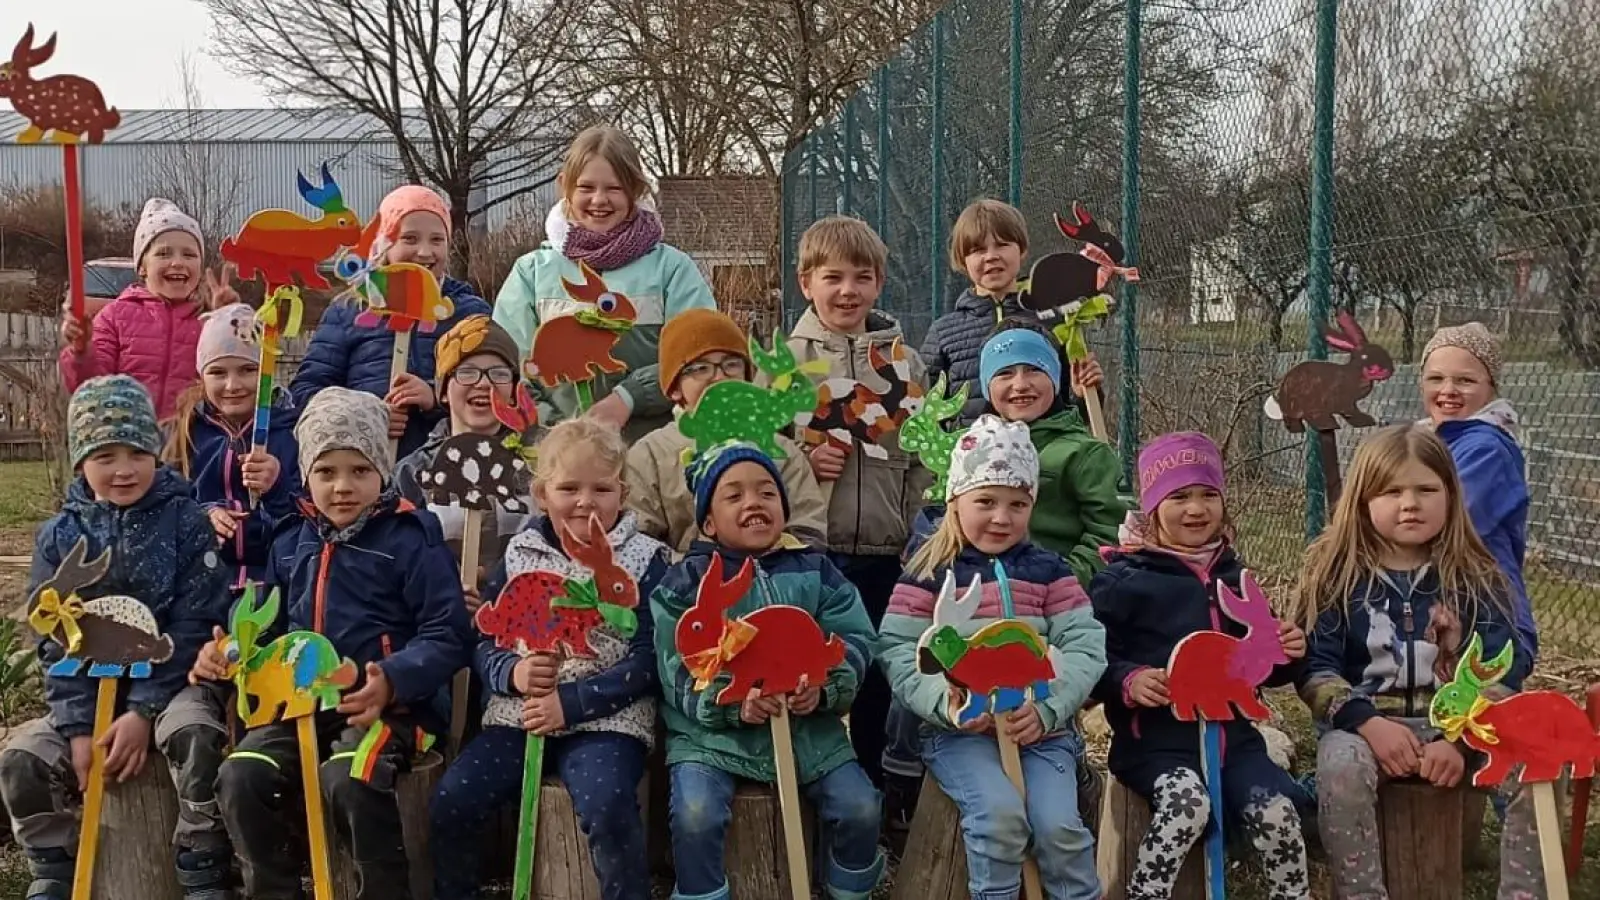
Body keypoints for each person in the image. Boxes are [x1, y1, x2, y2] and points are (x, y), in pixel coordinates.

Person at [198, 387, 472, 900]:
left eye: (359, 471)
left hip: (391, 711)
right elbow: (266, 626)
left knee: (351, 776)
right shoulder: (291, 541)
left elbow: (448, 633)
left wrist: (391, 681)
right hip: (301, 707)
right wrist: (234, 652)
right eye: (326, 472)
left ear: (382, 473)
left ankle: (384, 891)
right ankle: (276, 891)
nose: (342, 486)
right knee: (241, 775)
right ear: (305, 476)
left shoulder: (410, 538)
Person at [1, 375, 233, 900]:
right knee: (22, 760)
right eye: (105, 455)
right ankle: (54, 865)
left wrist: (142, 710)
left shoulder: (186, 521)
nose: (124, 469)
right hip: (87, 692)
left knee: (196, 735)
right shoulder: (59, 537)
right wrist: (80, 727)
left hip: (173, 686)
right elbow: (55, 636)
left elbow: (197, 621)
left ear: (156, 450)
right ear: (81, 459)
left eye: (137, 452)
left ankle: (201, 859)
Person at [1294, 424, 1542, 898]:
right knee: (1339, 770)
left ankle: (1524, 892)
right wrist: (1368, 724)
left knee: (1528, 764)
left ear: (1451, 494)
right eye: (1391, 491)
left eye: (1426, 489)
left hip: (1462, 726)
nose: (1410, 503)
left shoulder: (1475, 575)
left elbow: (1501, 664)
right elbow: (1315, 669)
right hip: (1365, 729)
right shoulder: (1335, 573)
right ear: (1363, 500)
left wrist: (1460, 741)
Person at [430, 418, 668, 900]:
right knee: (454, 799)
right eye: (569, 488)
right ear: (542, 494)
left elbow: (650, 659)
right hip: (518, 717)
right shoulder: (520, 552)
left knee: (608, 805)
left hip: (608, 722)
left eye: (601, 488)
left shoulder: (647, 560)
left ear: (621, 493)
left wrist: (573, 702)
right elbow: (485, 639)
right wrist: (512, 673)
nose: (586, 501)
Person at [880, 414, 1106, 900]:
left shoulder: (1049, 571)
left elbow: (1085, 643)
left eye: (1018, 504)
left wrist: (1048, 710)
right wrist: (948, 702)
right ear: (954, 500)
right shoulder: (929, 571)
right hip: (960, 737)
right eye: (986, 501)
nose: (1002, 518)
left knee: (1060, 829)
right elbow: (898, 649)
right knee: (1000, 819)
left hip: (1041, 733)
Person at [652, 441, 885, 900]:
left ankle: (846, 887)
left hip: (808, 733)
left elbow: (855, 636)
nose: (753, 503)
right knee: (696, 814)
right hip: (711, 738)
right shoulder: (685, 583)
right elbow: (673, 661)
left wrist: (825, 689)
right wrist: (729, 702)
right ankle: (701, 892)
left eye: (766, 493)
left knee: (859, 806)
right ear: (708, 522)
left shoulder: (816, 571)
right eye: (734, 495)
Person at [1089, 431, 1310, 900]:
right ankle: (1146, 893)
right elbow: (1091, 657)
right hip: (1155, 745)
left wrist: (1288, 651)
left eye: (1208, 495)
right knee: (1188, 808)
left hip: (1236, 743)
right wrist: (1127, 679)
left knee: (1279, 812)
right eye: (1179, 496)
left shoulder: (1235, 574)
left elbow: (1260, 665)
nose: (1196, 509)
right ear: (1152, 507)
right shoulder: (1124, 580)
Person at [785, 215, 931, 789]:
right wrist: (802, 461)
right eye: (833, 277)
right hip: (810, 550)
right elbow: (760, 454)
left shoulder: (904, 363)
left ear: (878, 284)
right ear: (806, 283)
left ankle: (873, 789)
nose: (848, 291)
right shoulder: (786, 363)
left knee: (876, 675)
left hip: (884, 550)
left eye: (862, 278)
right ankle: (808, 793)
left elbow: (923, 457)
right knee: (809, 674)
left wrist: (917, 535)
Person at [493, 125, 717, 442]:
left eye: (614, 188)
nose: (599, 200)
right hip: (554, 454)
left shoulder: (671, 269)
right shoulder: (532, 273)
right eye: (586, 187)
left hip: (653, 448)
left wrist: (629, 397)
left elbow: (701, 355)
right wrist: (553, 429)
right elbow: (508, 365)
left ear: (635, 191)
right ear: (564, 187)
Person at [290, 185, 492, 458]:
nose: (424, 252)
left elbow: (493, 392)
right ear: (384, 243)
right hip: (362, 469)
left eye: (437, 240)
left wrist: (435, 397)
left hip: (446, 467)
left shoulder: (468, 313)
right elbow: (306, 393)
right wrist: (366, 413)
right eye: (409, 238)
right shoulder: (349, 311)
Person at [626, 307, 827, 555]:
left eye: (731, 365)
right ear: (674, 387)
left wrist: (767, 572)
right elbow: (637, 541)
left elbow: (807, 531)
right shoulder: (650, 455)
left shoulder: (783, 452)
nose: (719, 377)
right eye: (700, 368)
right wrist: (691, 574)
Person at [918, 198, 1103, 426]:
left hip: (1043, 456)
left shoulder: (1057, 321)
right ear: (962, 261)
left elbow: (1078, 416)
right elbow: (925, 410)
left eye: (1002, 244)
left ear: (1022, 250)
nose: (991, 256)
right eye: (978, 249)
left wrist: (1083, 396)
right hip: (973, 458)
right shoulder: (944, 332)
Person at [394, 314, 535, 603]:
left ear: (513, 390)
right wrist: (444, 594)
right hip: (439, 618)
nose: (483, 384)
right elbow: (398, 556)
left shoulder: (542, 461)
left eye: (498, 373)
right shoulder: (414, 471)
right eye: (467, 372)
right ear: (443, 390)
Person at [162, 303, 301, 592]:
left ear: (267, 371)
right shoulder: (185, 433)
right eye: (218, 373)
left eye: (248, 369)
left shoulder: (293, 432)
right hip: (203, 584)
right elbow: (167, 501)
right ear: (201, 375)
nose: (232, 384)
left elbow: (306, 518)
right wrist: (203, 516)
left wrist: (277, 487)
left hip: (274, 584)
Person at [59, 198, 238, 419]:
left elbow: (235, 382)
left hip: (190, 445)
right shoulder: (115, 317)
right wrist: (82, 349)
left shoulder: (207, 321)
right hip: (130, 441)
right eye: (164, 254)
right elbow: (90, 385)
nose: (177, 262)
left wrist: (230, 323)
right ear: (142, 267)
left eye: (189, 254)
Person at [1418, 323, 1533, 658]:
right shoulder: (1429, 439)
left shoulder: (1486, 448)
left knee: (1476, 708)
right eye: (1436, 378)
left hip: (1484, 619)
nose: (1448, 389)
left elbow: (1444, 524)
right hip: (1441, 607)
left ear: (1491, 388)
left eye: (1465, 380)